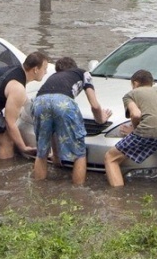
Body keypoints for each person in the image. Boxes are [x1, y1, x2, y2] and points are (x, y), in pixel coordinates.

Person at [32, 57, 111, 185]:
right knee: (79, 153)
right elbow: (95, 106)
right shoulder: (83, 73)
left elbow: (53, 127)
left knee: (41, 152)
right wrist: (101, 119)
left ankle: (38, 190)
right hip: (63, 103)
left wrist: (56, 157)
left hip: (39, 101)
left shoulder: (53, 77)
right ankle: (77, 193)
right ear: (74, 66)